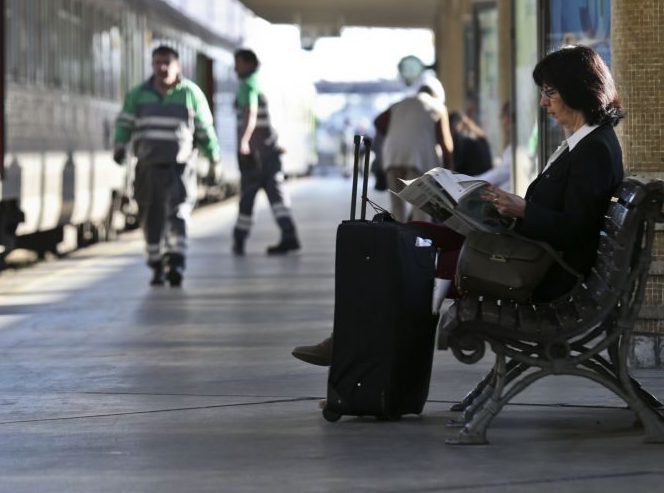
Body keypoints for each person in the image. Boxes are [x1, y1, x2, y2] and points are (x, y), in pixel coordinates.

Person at [292, 46, 624, 366]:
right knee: (407, 234)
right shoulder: (581, 143)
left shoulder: (592, 149)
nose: (543, 102)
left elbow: (577, 230)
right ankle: (355, 356)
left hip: (543, 271)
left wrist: (522, 210)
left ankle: (355, 358)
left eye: (550, 92)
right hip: (527, 250)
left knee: (411, 262)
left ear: (576, 89)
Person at [113, 45, 221, 287]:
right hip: (147, 167)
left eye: (167, 62)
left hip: (179, 168)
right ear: (152, 65)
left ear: (178, 65)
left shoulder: (191, 94)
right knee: (150, 215)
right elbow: (124, 124)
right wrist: (119, 145)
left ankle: (176, 261)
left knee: (178, 213)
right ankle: (156, 263)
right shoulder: (138, 95)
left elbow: (205, 129)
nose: (162, 67)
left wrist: (214, 157)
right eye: (157, 62)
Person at [230, 49, 300, 256]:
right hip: (271, 151)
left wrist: (244, 141)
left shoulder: (247, 84)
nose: (235, 68)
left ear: (249, 64)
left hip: (255, 154)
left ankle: (239, 240)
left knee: (248, 197)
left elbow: (249, 111)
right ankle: (290, 235)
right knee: (277, 197)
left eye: (238, 63)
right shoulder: (263, 83)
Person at [374, 77, 455, 222]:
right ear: (437, 95)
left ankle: (398, 240)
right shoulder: (437, 106)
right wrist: (449, 173)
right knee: (422, 208)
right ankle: (418, 243)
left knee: (397, 209)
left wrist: (397, 133)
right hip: (417, 159)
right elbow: (446, 143)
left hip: (392, 157)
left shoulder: (400, 103)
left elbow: (378, 121)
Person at [476, 102, 512, 190]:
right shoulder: (513, 145)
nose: (502, 122)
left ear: (508, 117)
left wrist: (472, 182)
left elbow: (502, 173)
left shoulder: (517, 146)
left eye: (502, 117)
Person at [449, 112, 493, 176]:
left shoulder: (462, 140)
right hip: (486, 178)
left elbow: (457, 167)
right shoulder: (480, 136)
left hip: (473, 179)